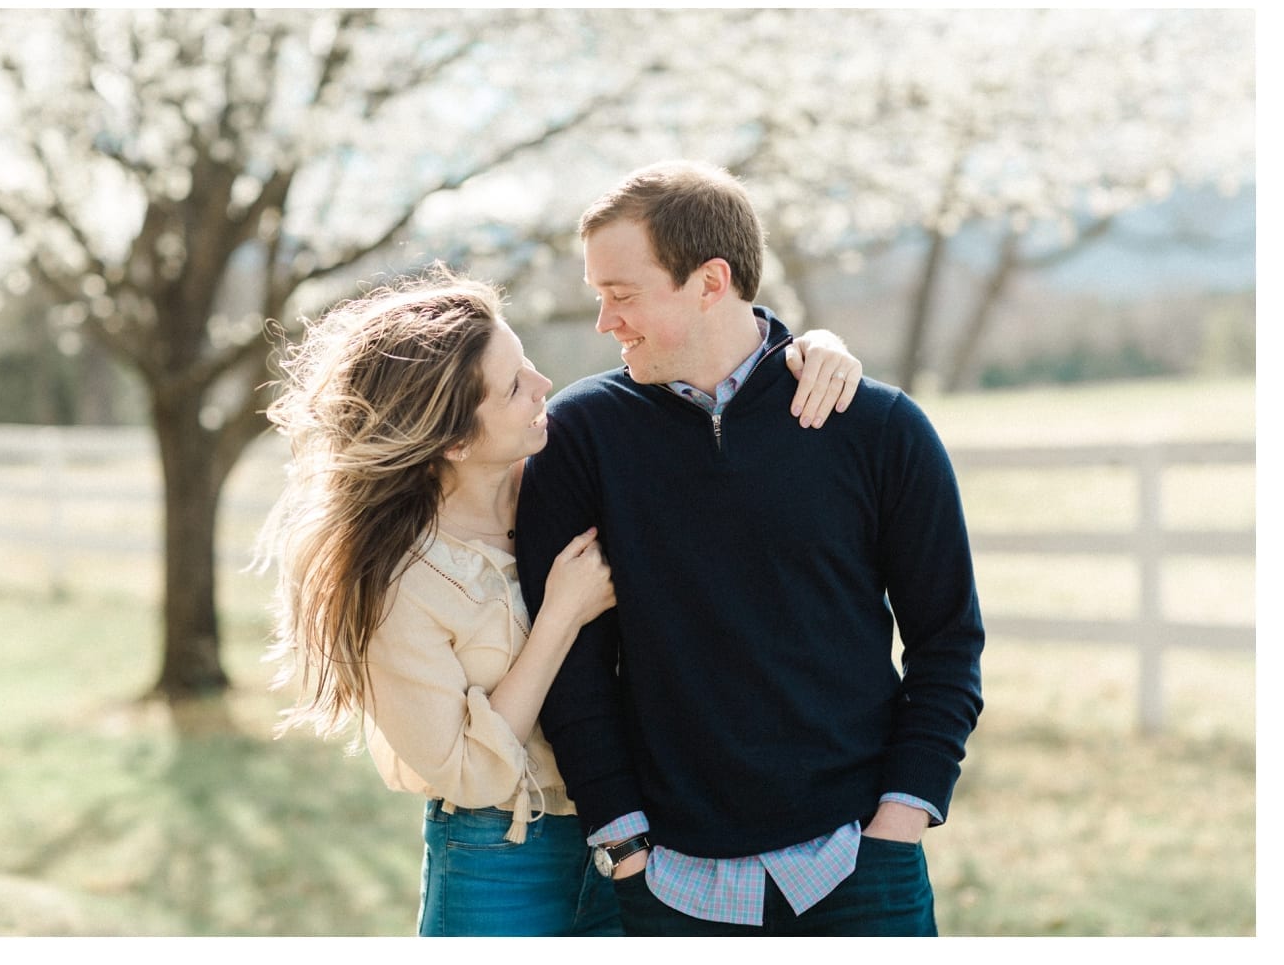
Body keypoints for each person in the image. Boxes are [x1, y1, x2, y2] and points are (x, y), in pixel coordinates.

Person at [258, 264, 864, 936]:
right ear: (455, 440)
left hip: (642, 833)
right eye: (514, 386)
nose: (545, 386)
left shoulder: (575, 475)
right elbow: (465, 770)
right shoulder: (398, 581)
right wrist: (559, 616)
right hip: (502, 855)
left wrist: (812, 351)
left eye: (530, 363)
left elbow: (719, 390)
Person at [514, 160, 985, 937]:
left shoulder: (877, 427)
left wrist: (899, 821)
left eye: (622, 295)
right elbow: (576, 668)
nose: (604, 322)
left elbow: (947, 640)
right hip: (667, 885)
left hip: (861, 870)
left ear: (710, 281)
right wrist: (624, 841)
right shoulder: (578, 440)